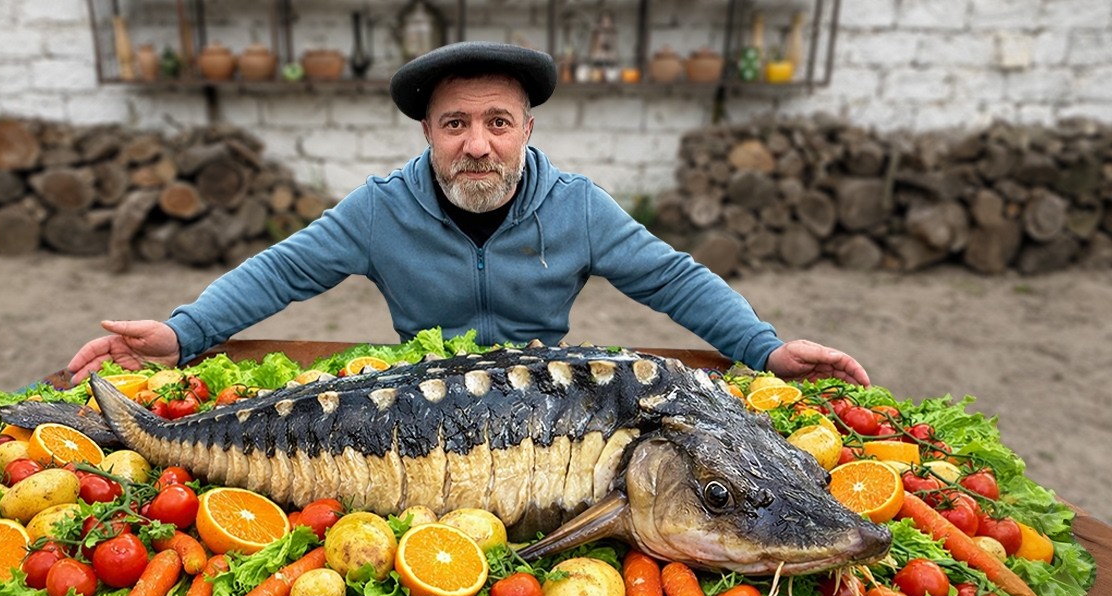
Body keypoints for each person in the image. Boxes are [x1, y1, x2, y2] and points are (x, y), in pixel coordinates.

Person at [67, 42, 869, 388]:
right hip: (419, 397)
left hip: (547, 397)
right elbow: (281, 271)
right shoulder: (380, 209)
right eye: (455, 124)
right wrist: (182, 334)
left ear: (527, 130)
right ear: (428, 133)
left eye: (497, 122)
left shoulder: (579, 206)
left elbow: (675, 280)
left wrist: (765, 349)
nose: (477, 145)